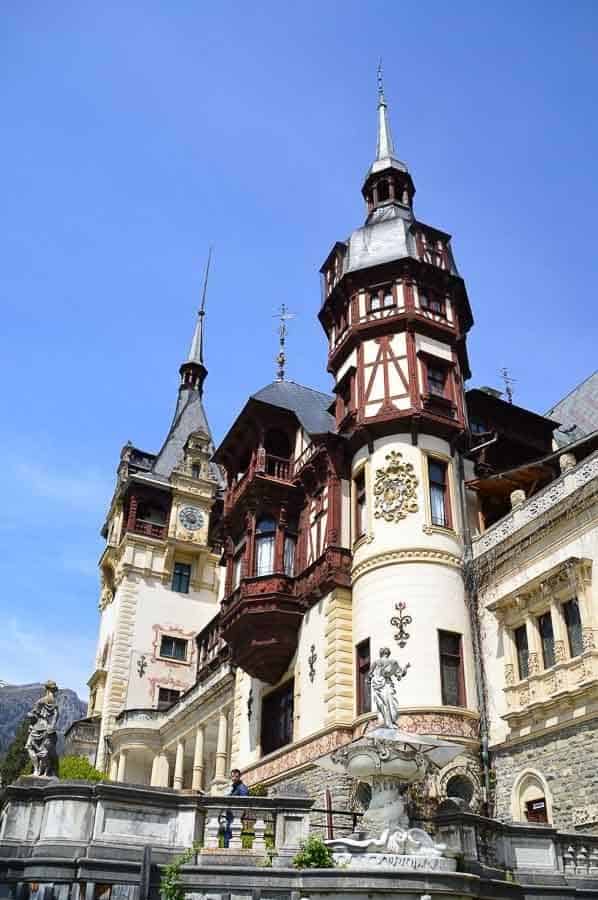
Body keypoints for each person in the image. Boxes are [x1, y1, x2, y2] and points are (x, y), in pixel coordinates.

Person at [368, 647, 410, 729]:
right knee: (391, 703)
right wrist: (406, 667)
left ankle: (385, 721)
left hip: (379, 686)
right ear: (388, 653)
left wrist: (370, 679)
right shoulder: (393, 662)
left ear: (381, 653)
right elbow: (400, 674)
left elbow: (369, 675)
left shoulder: (376, 662)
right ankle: (390, 721)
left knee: (382, 704)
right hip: (387, 684)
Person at [222, 768, 249, 847]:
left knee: (232, 836)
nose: (234, 778)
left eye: (236, 776)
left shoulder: (242, 787)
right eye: (232, 776)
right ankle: (226, 851)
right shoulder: (233, 787)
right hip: (230, 815)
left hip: (235, 815)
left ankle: (228, 852)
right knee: (228, 835)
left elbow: (244, 801)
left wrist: (242, 814)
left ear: (239, 776)